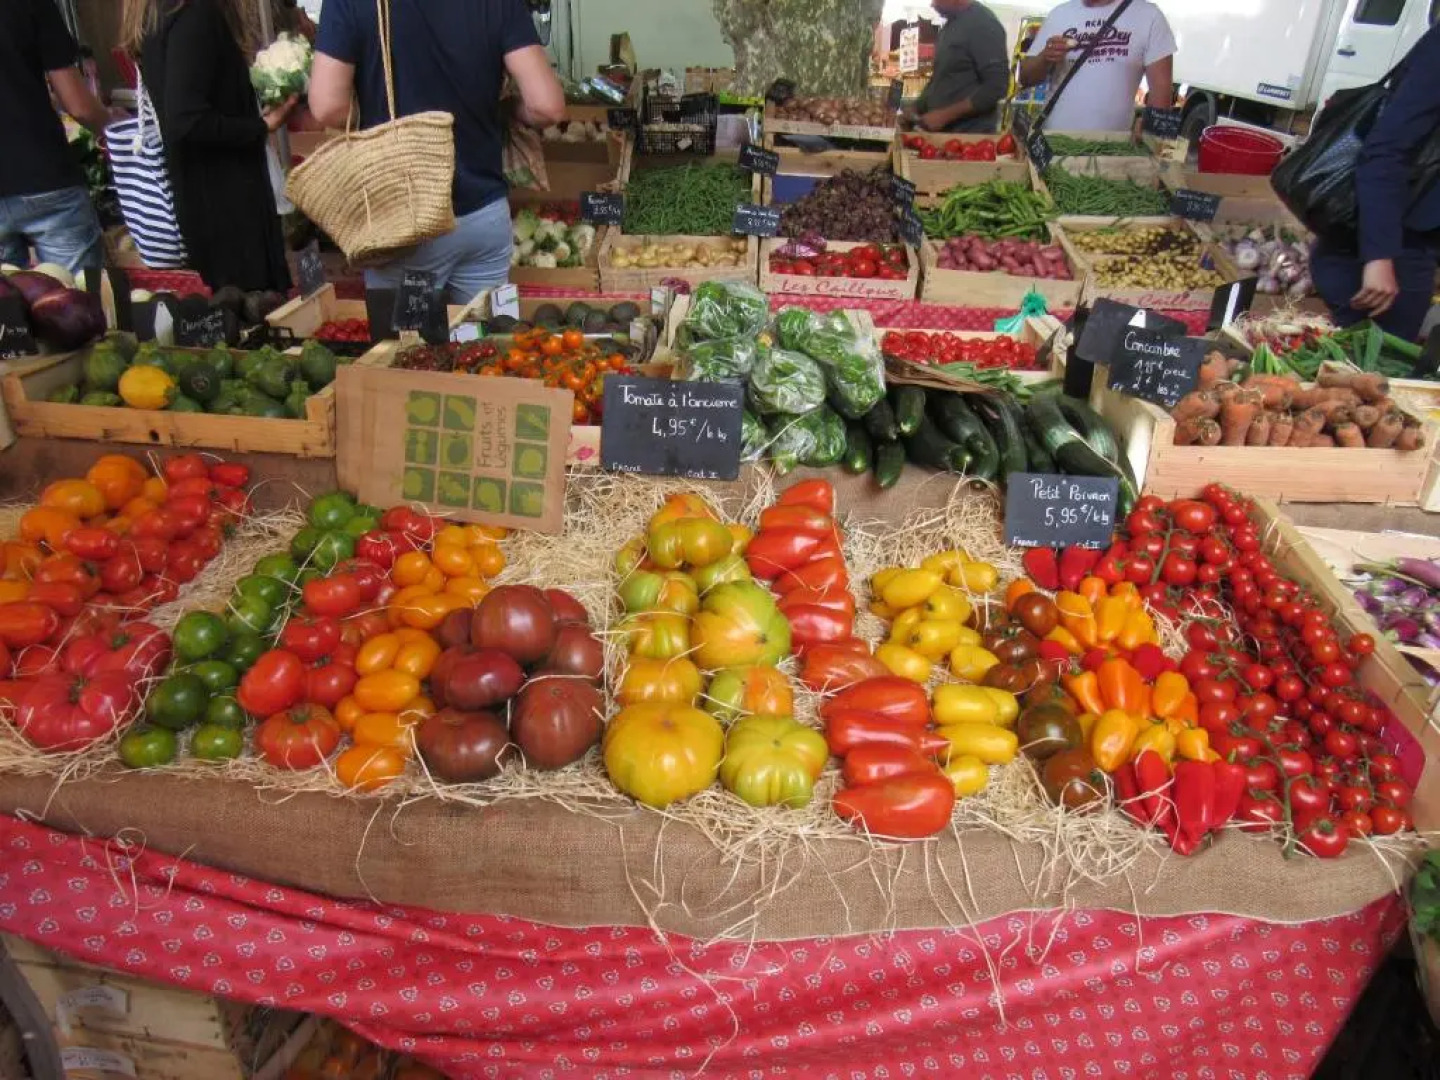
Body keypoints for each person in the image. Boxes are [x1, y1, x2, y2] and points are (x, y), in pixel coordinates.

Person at [307, 0, 566, 303]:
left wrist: (376, 119)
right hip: (483, 216)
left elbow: (327, 108)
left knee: (403, 347)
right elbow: (547, 107)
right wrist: (509, 110)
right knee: (491, 342)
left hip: (401, 219)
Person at [121, 0, 296, 293]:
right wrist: (261, 126)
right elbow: (186, 118)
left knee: (232, 315)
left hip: (204, 199)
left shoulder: (159, 16)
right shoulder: (194, 16)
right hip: (228, 209)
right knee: (253, 311)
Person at [1311, 22, 1440, 343]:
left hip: (1411, 246)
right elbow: (1385, 151)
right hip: (1387, 252)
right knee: (1370, 373)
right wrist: (1379, 257)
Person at [0, 0, 112, 275]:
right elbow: (80, 106)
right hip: (44, 178)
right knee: (81, 308)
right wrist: (115, 126)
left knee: (8, 314)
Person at [1017, 0, 1175, 134]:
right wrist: (1044, 57)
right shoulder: (1060, 14)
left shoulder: (1148, 16)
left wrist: (1149, 133)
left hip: (1113, 151)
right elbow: (1025, 77)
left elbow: (1161, 95)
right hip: (1052, 142)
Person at [903, 0, 1009, 134]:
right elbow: (940, 77)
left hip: (969, 140)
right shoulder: (949, 26)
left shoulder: (983, 24)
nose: (932, 5)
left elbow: (997, 86)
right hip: (943, 138)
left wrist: (945, 115)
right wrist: (917, 107)